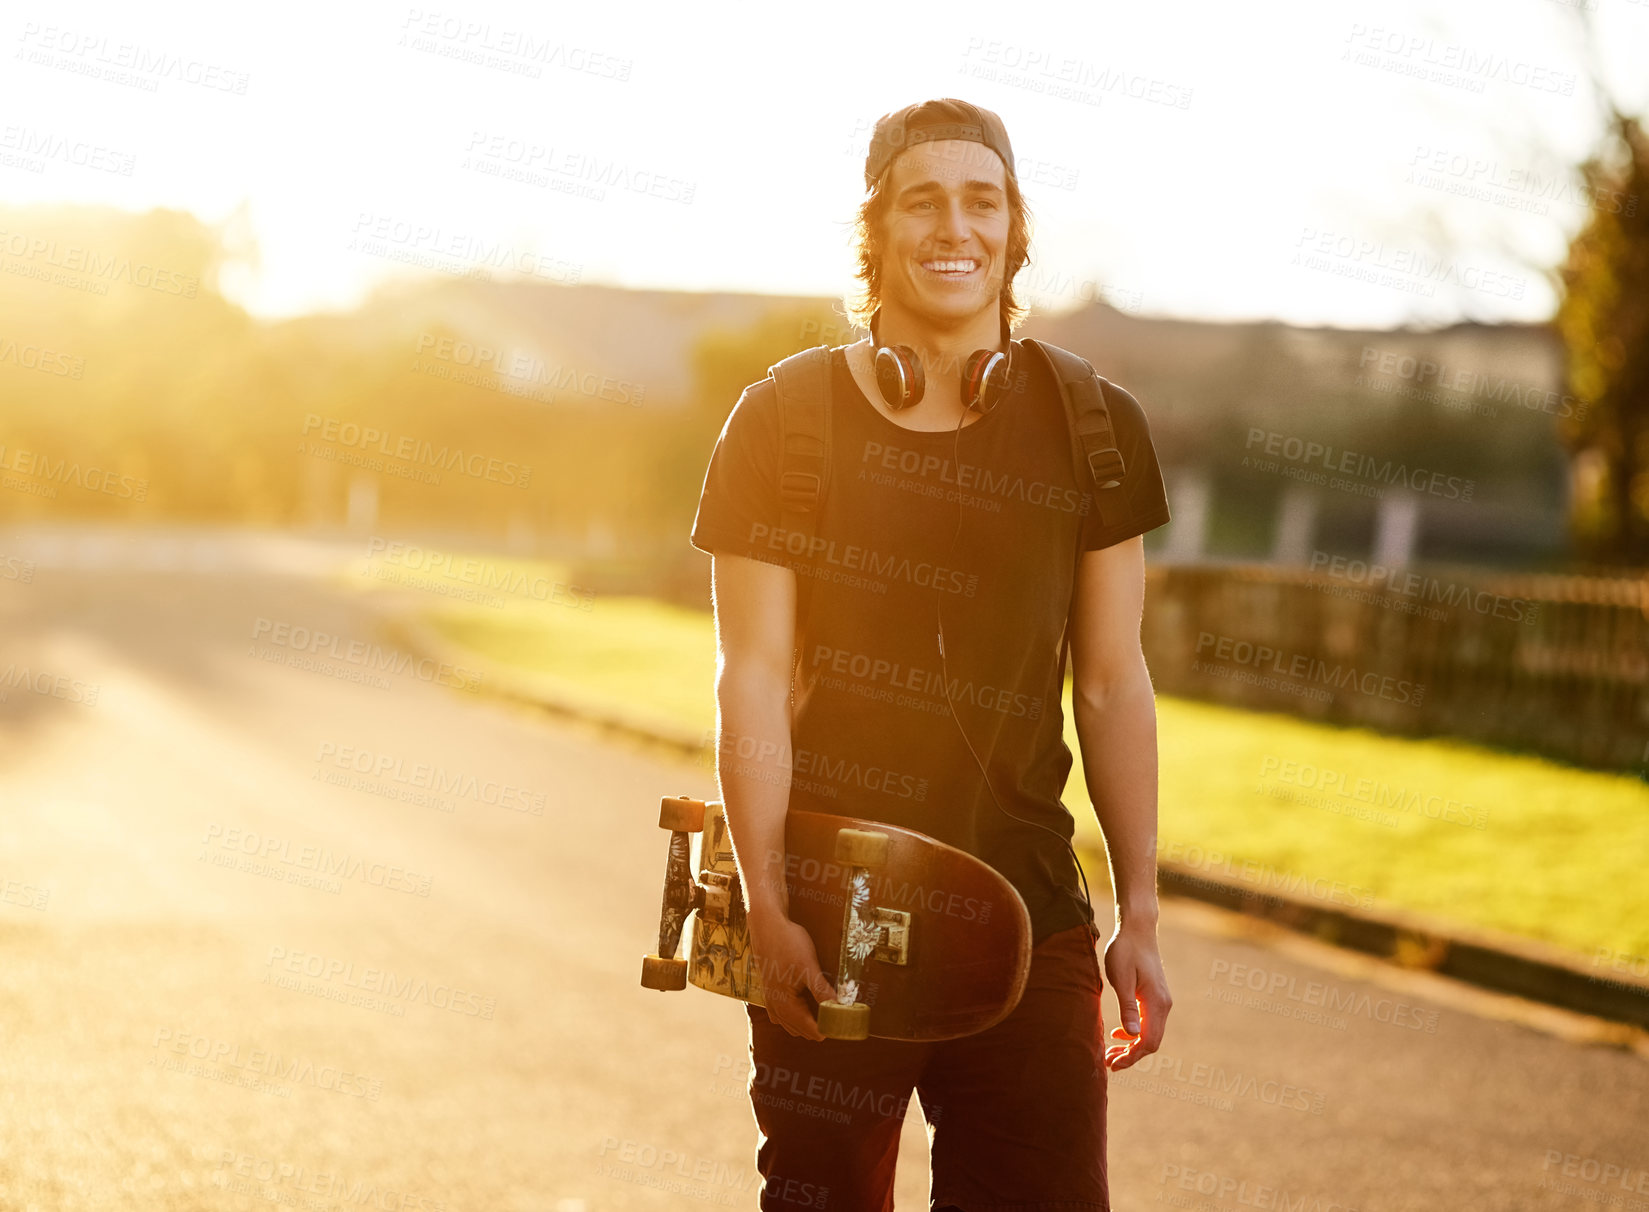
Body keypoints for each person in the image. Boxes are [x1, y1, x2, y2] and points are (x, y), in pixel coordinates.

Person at [689, 97, 1173, 1212]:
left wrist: (1136, 914)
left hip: (1031, 912)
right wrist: (764, 902)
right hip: (827, 911)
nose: (954, 226)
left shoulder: (1094, 427)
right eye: (922, 201)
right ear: (875, 232)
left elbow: (1109, 683)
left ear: (1012, 229)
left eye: (981, 199)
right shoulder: (782, 422)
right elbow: (749, 677)